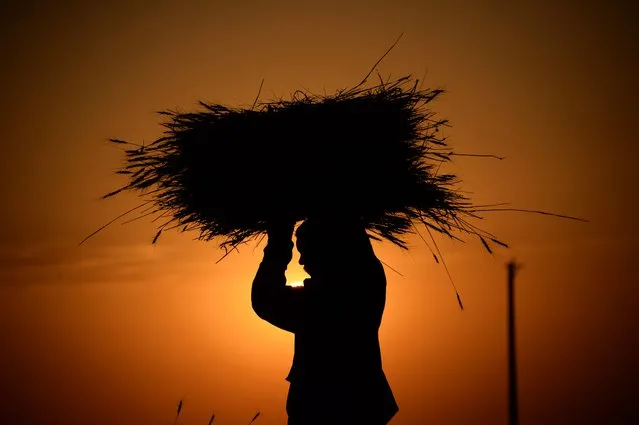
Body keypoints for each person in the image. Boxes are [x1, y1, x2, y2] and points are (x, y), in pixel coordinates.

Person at [251, 215, 399, 425]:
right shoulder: (366, 290)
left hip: (323, 411)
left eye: (306, 252)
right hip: (365, 407)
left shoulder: (320, 303)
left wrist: (279, 241)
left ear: (329, 253)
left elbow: (264, 299)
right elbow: (361, 253)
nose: (301, 261)